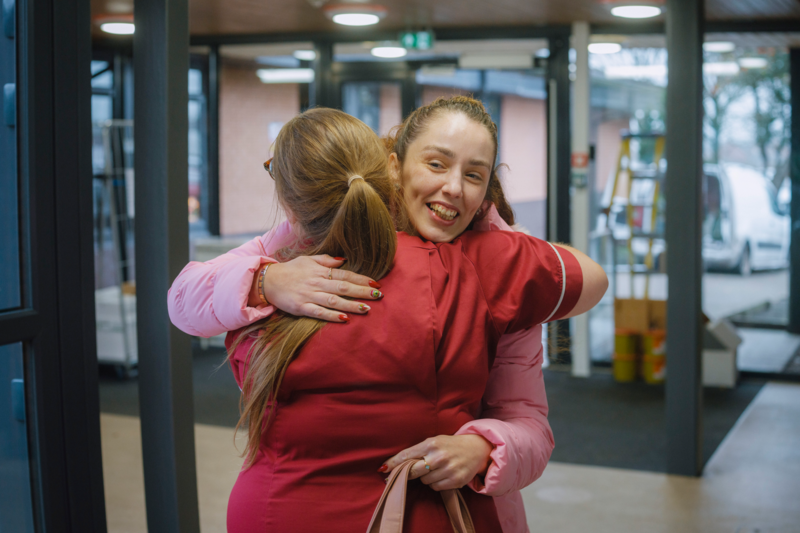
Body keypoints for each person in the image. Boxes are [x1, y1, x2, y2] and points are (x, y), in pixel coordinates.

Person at [168, 98, 608, 532]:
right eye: (436, 165)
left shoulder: (496, 264)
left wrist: (484, 448)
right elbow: (183, 299)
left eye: (474, 175)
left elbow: (527, 421)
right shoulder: (310, 239)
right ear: (394, 167)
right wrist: (266, 282)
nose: (454, 187)